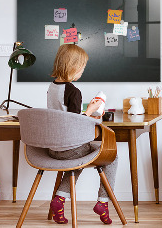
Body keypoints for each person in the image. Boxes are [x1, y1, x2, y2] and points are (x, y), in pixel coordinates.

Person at [47, 44, 118, 225]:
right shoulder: (73, 91)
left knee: (77, 160)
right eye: (82, 67)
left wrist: (88, 112)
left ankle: (60, 200)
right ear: (73, 67)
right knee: (112, 156)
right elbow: (75, 123)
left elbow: (64, 116)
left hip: (53, 148)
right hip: (70, 148)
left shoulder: (52, 87)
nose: (82, 71)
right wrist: (91, 110)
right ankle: (103, 202)